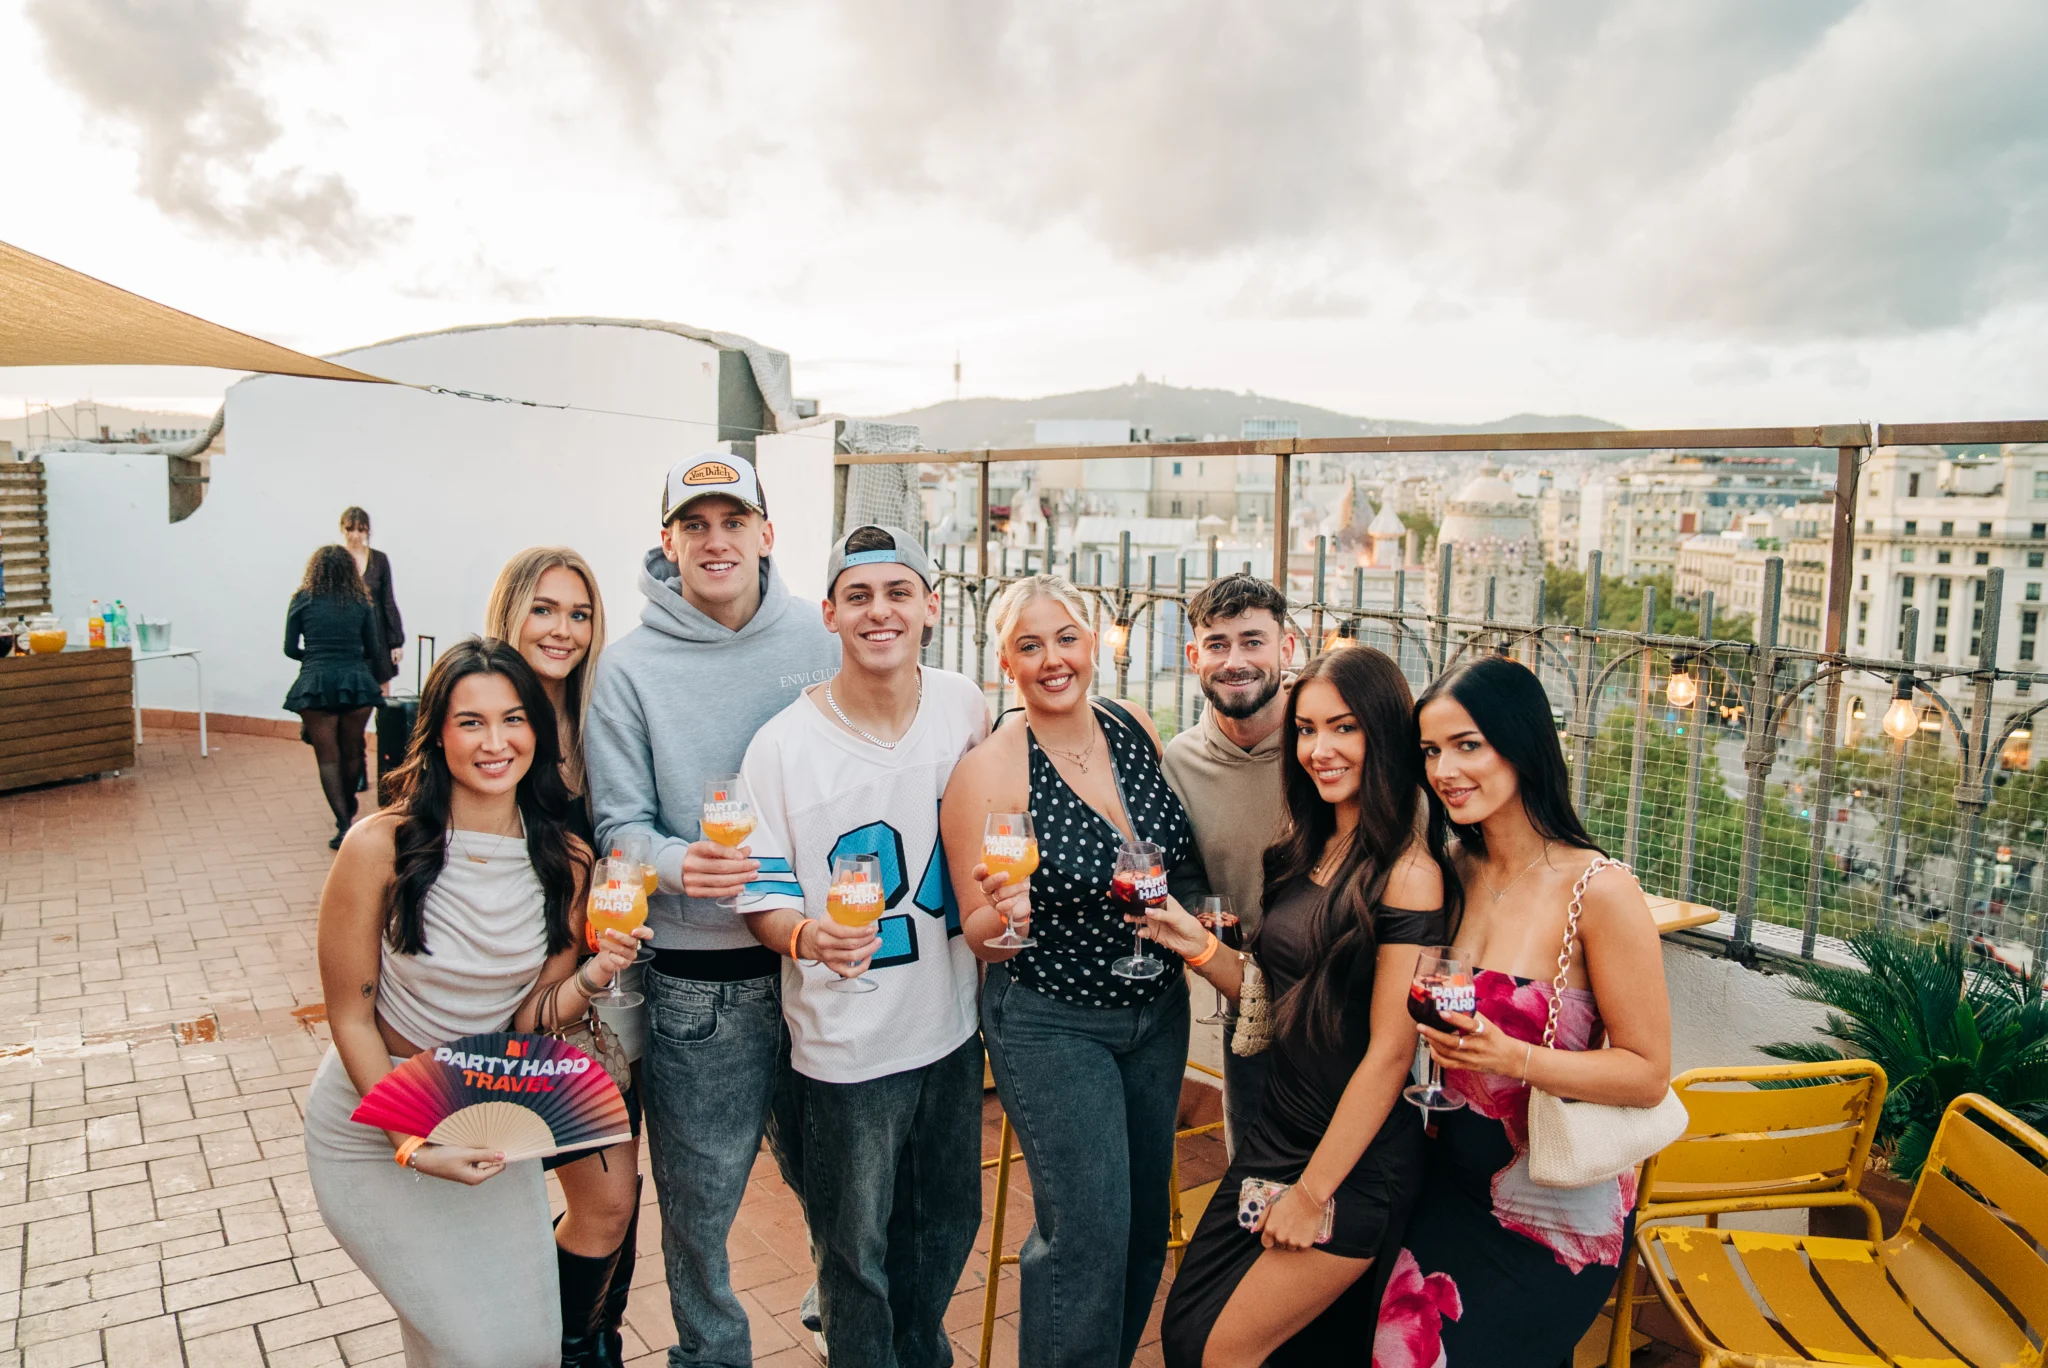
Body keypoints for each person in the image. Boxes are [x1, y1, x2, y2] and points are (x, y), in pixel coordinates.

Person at [305, 637, 648, 1368]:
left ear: (538, 731)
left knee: (519, 1347)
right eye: (471, 722)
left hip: (489, 1114)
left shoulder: (568, 859)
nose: (496, 743)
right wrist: (412, 1140)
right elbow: (350, 1016)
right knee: (471, 1345)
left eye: (513, 719)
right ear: (437, 734)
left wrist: (594, 975)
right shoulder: (379, 847)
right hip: (374, 1119)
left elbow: (528, 1020)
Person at [583, 451, 839, 1368]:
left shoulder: (820, 638)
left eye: (734, 521)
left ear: (767, 534)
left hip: (821, 966)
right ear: (669, 543)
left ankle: (840, 1319)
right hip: (701, 986)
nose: (716, 540)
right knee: (699, 1215)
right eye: (695, 525)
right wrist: (674, 862)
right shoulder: (629, 670)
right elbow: (619, 825)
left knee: (842, 1191)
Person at [1142, 646, 1452, 1367]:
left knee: (1219, 1349)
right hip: (1275, 1135)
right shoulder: (1305, 848)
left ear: (1383, 735)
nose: (1320, 749)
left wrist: (1313, 1194)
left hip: (1350, 1161)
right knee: (1192, 1334)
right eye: (1307, 730)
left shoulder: (1407, 874)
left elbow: (1389, 1052)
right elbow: (1277, 995)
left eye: (1343, 728)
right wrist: (1195, 945)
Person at [1373, 656, 1672, 1367]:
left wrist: (1516, 1059)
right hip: (1448, 1186)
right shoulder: (1452, 869)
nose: (1444, 769)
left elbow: (1648, 1074)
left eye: (1467, 745)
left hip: (1555, 1210)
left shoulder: (1599, 890)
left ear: (1523, 743)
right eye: (1431, 751)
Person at [738, 525, 986, 1366]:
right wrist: (806, 934)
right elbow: (761, 893)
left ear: (930, 605)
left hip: (951, 1031)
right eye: (859, 596)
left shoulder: (965, 705)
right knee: (854, 1261)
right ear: (830, 614)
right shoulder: (781, 746)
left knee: (947, 1226)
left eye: (897, 592)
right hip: (844, 1049)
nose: (879, 612)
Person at [940, 573, 1196, 1368]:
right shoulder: (991, 769)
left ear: (1093, 646)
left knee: (1142, 1224)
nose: (1052, 660)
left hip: (1156, 1007)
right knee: (1087, 1230)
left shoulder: (1133, 727)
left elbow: (1171, 860)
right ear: (1006, 664)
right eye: (1029, 645)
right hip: (1051, 1016)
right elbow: (979, 934)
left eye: (1066, 639)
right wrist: (1005, 916)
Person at [485, 547, 639, 1368]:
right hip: (531, 1005)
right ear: (510, 611)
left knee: (621, 1203)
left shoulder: (594, 719)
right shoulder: (495, 723)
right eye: (544, 609)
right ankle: (567, 1346)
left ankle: (596, 1341)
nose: (563, 629)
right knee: (604, 1202)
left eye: (579, 614)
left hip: (608, 992)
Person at [1161, 572, 1300, 1154]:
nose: (1235, 660)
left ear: (1287, 648)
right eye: (1218, 645)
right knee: (1252, 1178)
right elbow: (1186, 876)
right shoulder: (1179, 763)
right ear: (1194, 657)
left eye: (1253, 641)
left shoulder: (1325, 745)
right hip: (1249, 1006)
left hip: (1343, 1004)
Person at [284, 545, 386, 848]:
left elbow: (290, 649)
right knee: (353, 749)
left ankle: (343, 823)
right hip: (356, 682)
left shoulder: (302, 600)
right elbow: (374, 649)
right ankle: (349, 802)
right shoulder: (360, 600)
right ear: (348, 571)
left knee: (327, 758)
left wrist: (314, 656)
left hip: (315, 683)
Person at [341, 506, 405, 692]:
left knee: (381, 686)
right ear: (342, 529)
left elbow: (388, 601)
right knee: (348, 688)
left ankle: (384, 722)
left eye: (360, 530)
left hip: (377, 632)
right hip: (348, 632)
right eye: (350, 529)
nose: (355, 535)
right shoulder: (336, 557)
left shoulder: (379, 560)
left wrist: (396, 642)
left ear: (367, 531)